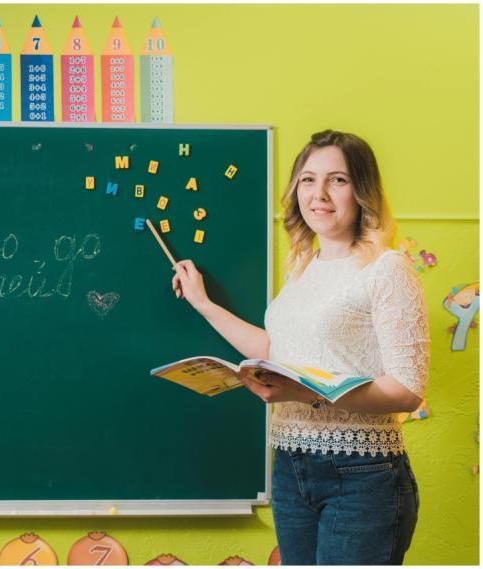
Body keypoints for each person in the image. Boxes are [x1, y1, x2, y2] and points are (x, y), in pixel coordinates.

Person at [171, 130, 429, 565]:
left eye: (338, 180)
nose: (319, 194)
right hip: (291, 465)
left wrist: (304, 392)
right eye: (308, 180)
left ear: (362, 191)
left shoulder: (387, 269)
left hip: (361, 474)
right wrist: (203, 305)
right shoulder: (303, 269)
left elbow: (407, 389)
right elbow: (276, 348)